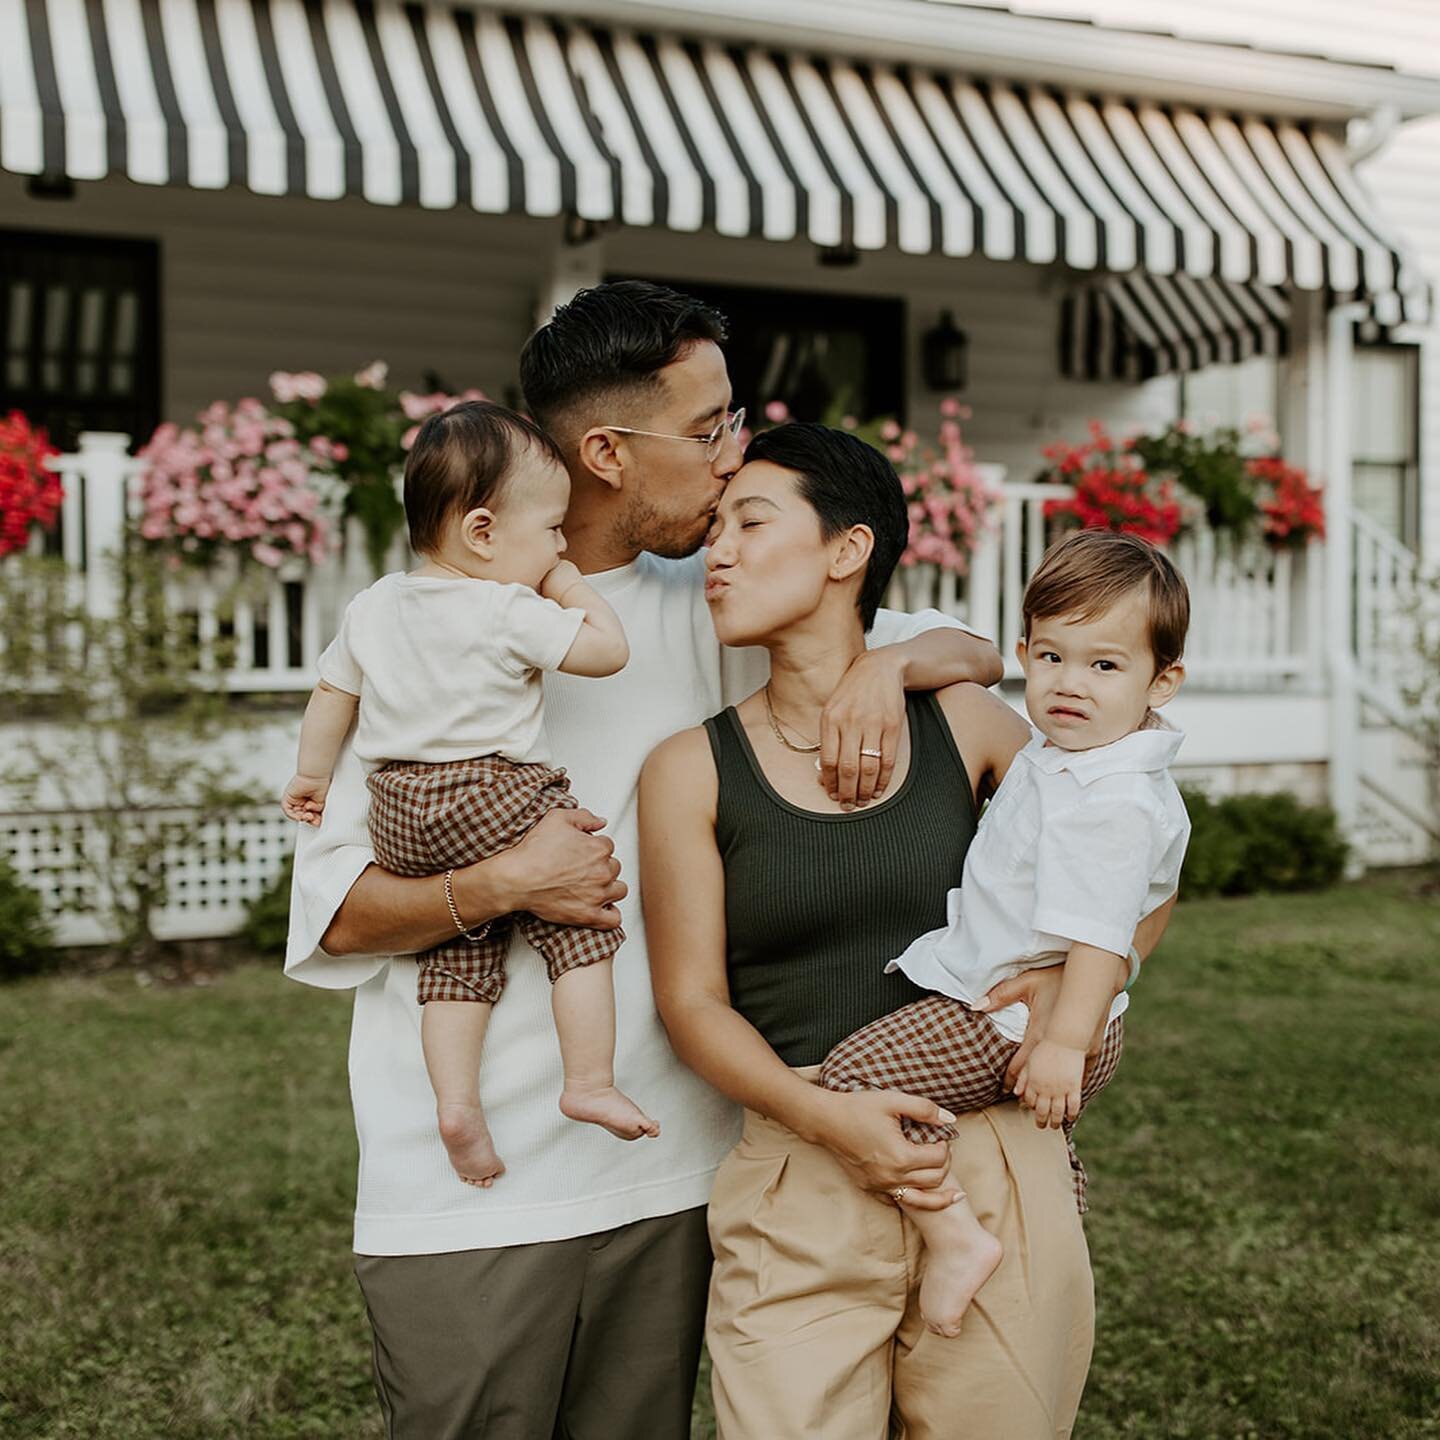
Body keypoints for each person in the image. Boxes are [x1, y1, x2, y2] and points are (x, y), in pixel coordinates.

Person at [284, 281, 1002, 1439]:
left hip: (675, 1177)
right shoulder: (414, 622)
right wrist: (509, 887)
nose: (735, 460)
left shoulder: (711, 604)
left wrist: (898, 667)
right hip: (470, 1189)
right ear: (609, 452)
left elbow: (960, 651)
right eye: (713, 428)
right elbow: (336, 916)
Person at [640, 424, 1174, 1440]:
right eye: (715, 528)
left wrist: (1073, 997)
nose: (718, 551)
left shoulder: (967, 722)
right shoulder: (691, 770)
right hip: (803, 1171)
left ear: (847, 552)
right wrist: (823, 1116)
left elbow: (1134, 869)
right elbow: (692, 1003)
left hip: (994, 1157)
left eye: (751, 521)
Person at [819, 527, 1192, 1338]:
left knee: (852, 1081)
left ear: (1162, 682)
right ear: (1024, 648)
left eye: (1105, 665)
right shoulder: (1077, 754)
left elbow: (1098, 934)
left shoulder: (1112, 798)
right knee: (1023, 1152)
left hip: (1024, 1020)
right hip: (1046, 1013)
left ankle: (953, 1233)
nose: (1069, 684)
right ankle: (1051, 1203)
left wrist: (1063, 1043)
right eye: (1051, 657)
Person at [281, 402, 657, 1191]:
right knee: (579, 920)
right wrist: (571, 587)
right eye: (552, 529)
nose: (561, 542)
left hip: (400, 811)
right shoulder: (502, 605)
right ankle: (587, 1081)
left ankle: (457, 1108)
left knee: (457, 951)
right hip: (489, 787)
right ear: (483, 534)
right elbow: (607, 653)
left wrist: (311, 778)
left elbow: (331, 697)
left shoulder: (374, 604)